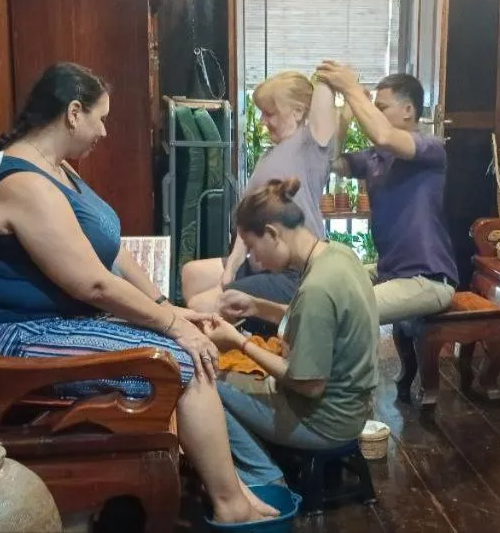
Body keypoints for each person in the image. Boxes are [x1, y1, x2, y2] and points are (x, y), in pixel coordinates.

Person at [0, 62, 275, 524]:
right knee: (182, 359)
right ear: (73, 113)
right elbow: (90, 282)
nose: (104, 131)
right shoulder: (24, 184)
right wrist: (171, 325)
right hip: (20, 337)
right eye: (100, 118)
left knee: (194, 340)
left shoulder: (57, 169)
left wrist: (168, 307)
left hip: (67, 322)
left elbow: (113, 252)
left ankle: (234, 492)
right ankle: (231, 504)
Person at [203, 177, 380, 487]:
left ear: (272, 234)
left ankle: (265, 477)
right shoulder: (337, 255)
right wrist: (256, 306)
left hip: (325, 423)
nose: (255, 260)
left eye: (254, 249)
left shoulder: (317, 288)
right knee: (223, 375)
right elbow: (320, 321)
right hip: (352, 410)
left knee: (203, 385)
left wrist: (239, 342)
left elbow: (308, 384)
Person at [180, 71, 340, 335]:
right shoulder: (269, 156)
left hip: (291, 272)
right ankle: (228, 342)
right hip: (259, 257)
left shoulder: (312, 147)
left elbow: (324, 93)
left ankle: (213, 352)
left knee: (200, 305)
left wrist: (324, 74)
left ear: (298, 112)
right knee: (191, 273)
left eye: (271, 114)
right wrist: (231, 266)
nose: (264, 122)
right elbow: (249, 221)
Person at [312, 62, 458, 324]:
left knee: (344, 313)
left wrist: (351, 88)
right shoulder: (374, 157)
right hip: (390, 273)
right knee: (325, 283)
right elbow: (329, 161)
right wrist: (344, 116)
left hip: (428, 280)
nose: (375, 113)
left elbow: (383, 134)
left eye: (382, 108)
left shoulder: (431, 148)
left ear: (408, 110)